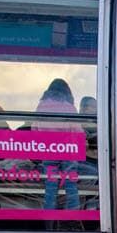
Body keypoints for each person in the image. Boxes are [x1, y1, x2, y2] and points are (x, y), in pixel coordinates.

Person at [36, 79, 78, 209]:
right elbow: (77, 131)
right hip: (67, 151)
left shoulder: (41, 106)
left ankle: (49, 213)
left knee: (50, 184)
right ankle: (73, 213)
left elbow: (34, 128)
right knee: (71, 184)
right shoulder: (69, 107)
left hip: (49, 151)